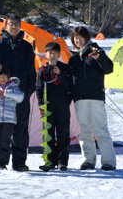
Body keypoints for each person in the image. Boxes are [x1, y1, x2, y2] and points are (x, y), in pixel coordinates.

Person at [0, 14, 37, 171]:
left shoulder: (27, 47)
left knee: (21, 129)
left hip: (20, 96)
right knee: (1, 129)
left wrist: (28, 92)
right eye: (11, 24)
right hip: (1, 97)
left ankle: (19, 162)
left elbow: (31, 72)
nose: (14, 26)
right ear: (5, 26)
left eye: (17, 24)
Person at [68, 25, 116, 171]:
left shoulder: (96, 51)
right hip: (80, 99)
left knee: (100, 129)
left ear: (86, 38)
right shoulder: (72, 58)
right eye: (76, 38)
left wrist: (100, 58)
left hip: (95, 97)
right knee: (85, 131)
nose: (78, 41)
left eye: (81, 38)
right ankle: (88, 160)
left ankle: (108, 161)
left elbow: (109, 69)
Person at [36, 41, 72, 172]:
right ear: (45, 54)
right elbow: (39, 89)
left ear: (59, 55)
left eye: (55, 53)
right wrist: (41, 106)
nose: (52, 55)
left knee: (63, 133)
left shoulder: (65, 68)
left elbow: (69, 86)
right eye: (50, 53)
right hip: (48, 105)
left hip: (62, 104)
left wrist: (60, 74)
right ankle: (49, 161)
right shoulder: (42, 70)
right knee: (48, 134)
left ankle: (62, 162)